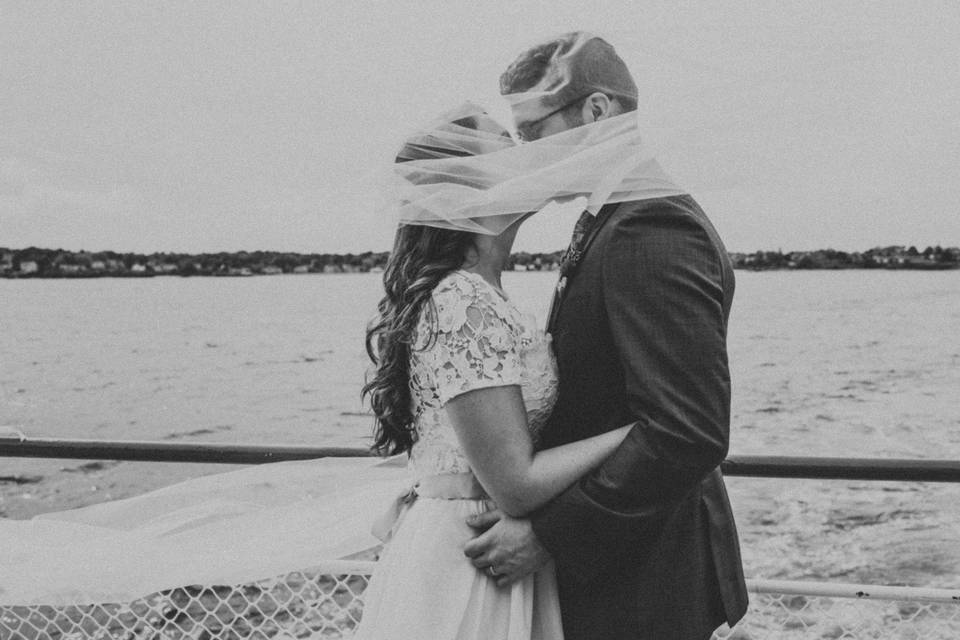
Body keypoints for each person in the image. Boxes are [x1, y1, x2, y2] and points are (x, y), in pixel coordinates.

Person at [462, 32, 749, 640]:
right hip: (630, 564)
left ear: (596, 113)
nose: (522, 152)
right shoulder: (616, 216)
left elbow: (687, 432)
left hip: (646, 582)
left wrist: (548, 533)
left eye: (532, 130)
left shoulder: (651, 227)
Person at [354, 102, 640, 640]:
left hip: (481, 542)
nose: (532, 157)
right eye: (510, 149)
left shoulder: (478, 291)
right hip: (473, 559)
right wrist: (639, 431)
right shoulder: (464, 301)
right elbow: (514, 484)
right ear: (469, 186)